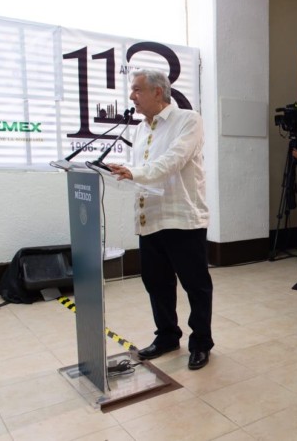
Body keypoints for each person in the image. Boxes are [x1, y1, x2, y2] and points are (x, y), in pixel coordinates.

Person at [109, 69, 214, 371]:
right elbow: (143, 167)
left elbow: (172, 161)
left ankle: (201, 343)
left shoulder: (188, 120)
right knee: (156, 283)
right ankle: (167, 336)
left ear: (158, 91)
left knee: (195, 285)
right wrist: (121, 169)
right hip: (149, 218)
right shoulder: (141, 129)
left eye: (137, 89)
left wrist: (135, 172)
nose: (132, 97)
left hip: (182, 218)